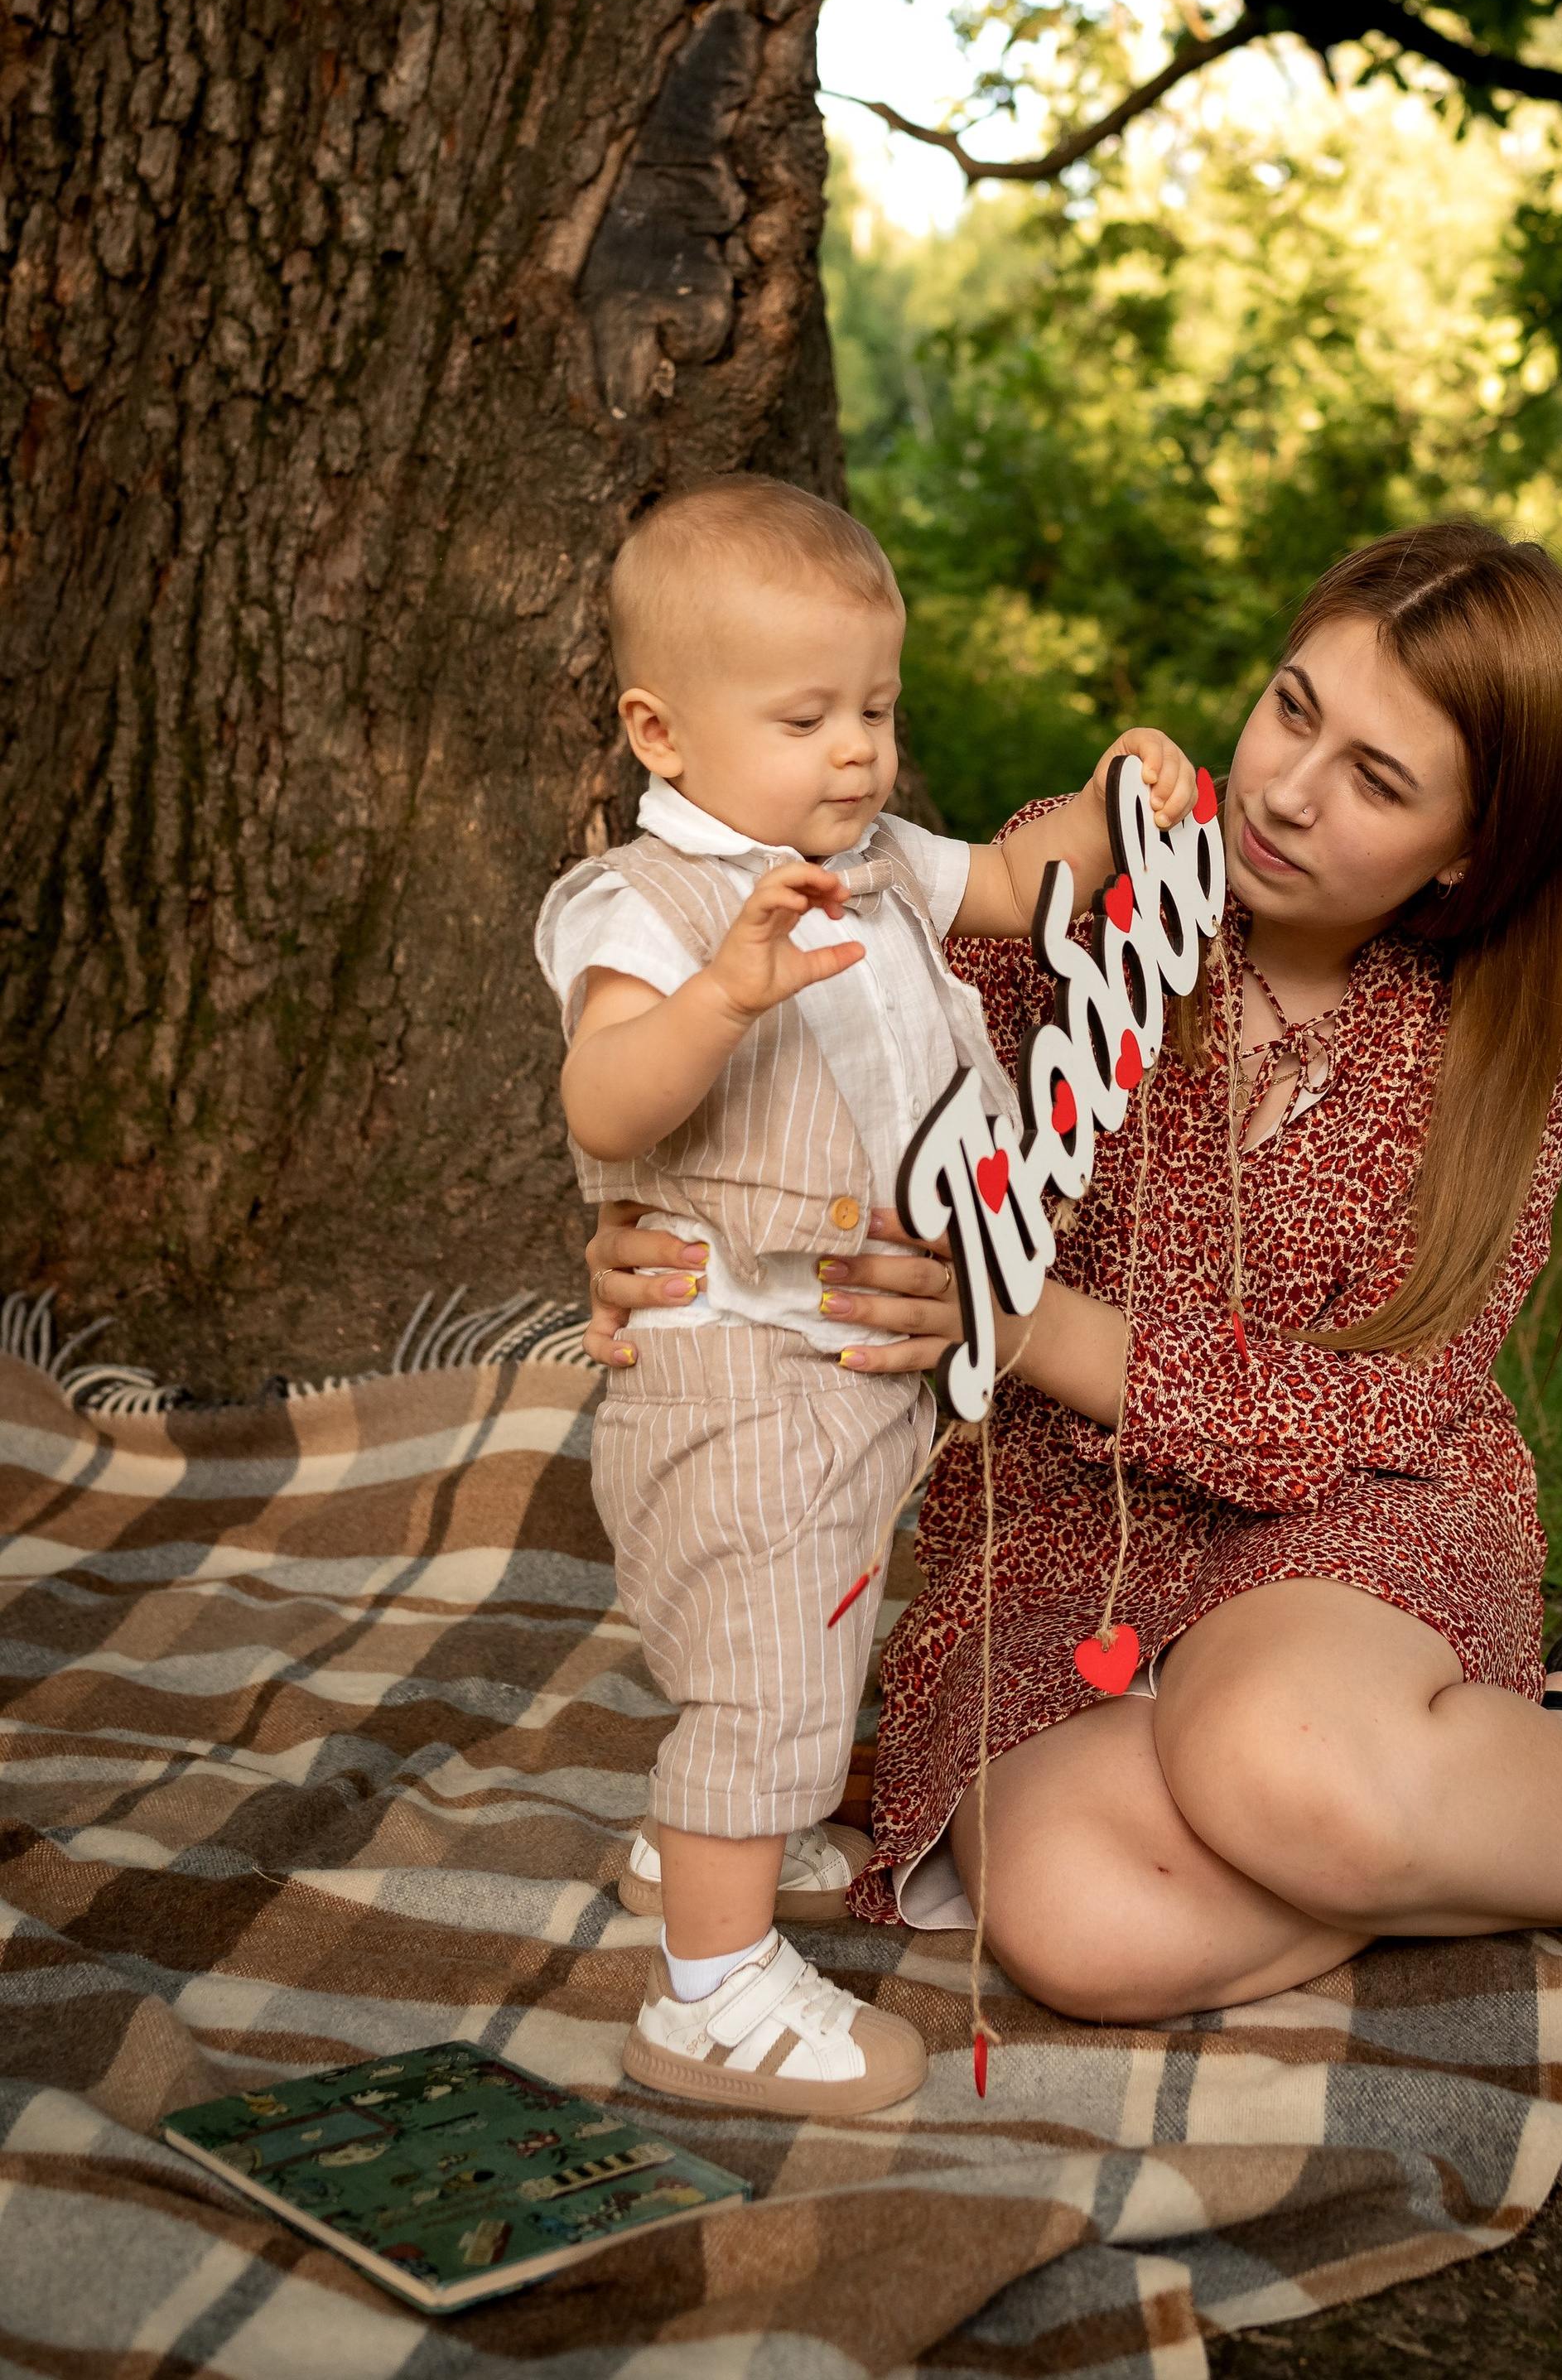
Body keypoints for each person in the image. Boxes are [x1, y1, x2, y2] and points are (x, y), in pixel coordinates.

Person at [585, 521, 1562, 2174]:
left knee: (1277, 1759)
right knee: (1079, 1931)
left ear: (1466, 847)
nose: (1292, 789)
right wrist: (670, 1228)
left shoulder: (1506, 1026)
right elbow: (812, 1053)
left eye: (1378, 778)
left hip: (1346, 1506)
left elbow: (1386, 1392)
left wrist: (1028, 1321)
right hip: (1063, 1536)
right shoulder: (1082, 894)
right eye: (1290, 708)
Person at [539, 473, 1197, 2116]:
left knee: (800, 1622)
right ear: (661, 732)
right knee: (766, 1654)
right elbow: (606, 1104)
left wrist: (1117, 806)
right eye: (806, 715)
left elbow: (1021, 876)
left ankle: (707, 1823)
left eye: (877, 709)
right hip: (729, 1348)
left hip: (845, 1361)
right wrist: (723, 994)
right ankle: (710, 1993)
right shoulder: (653, 905)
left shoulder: (883, 857)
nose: (855, 749)